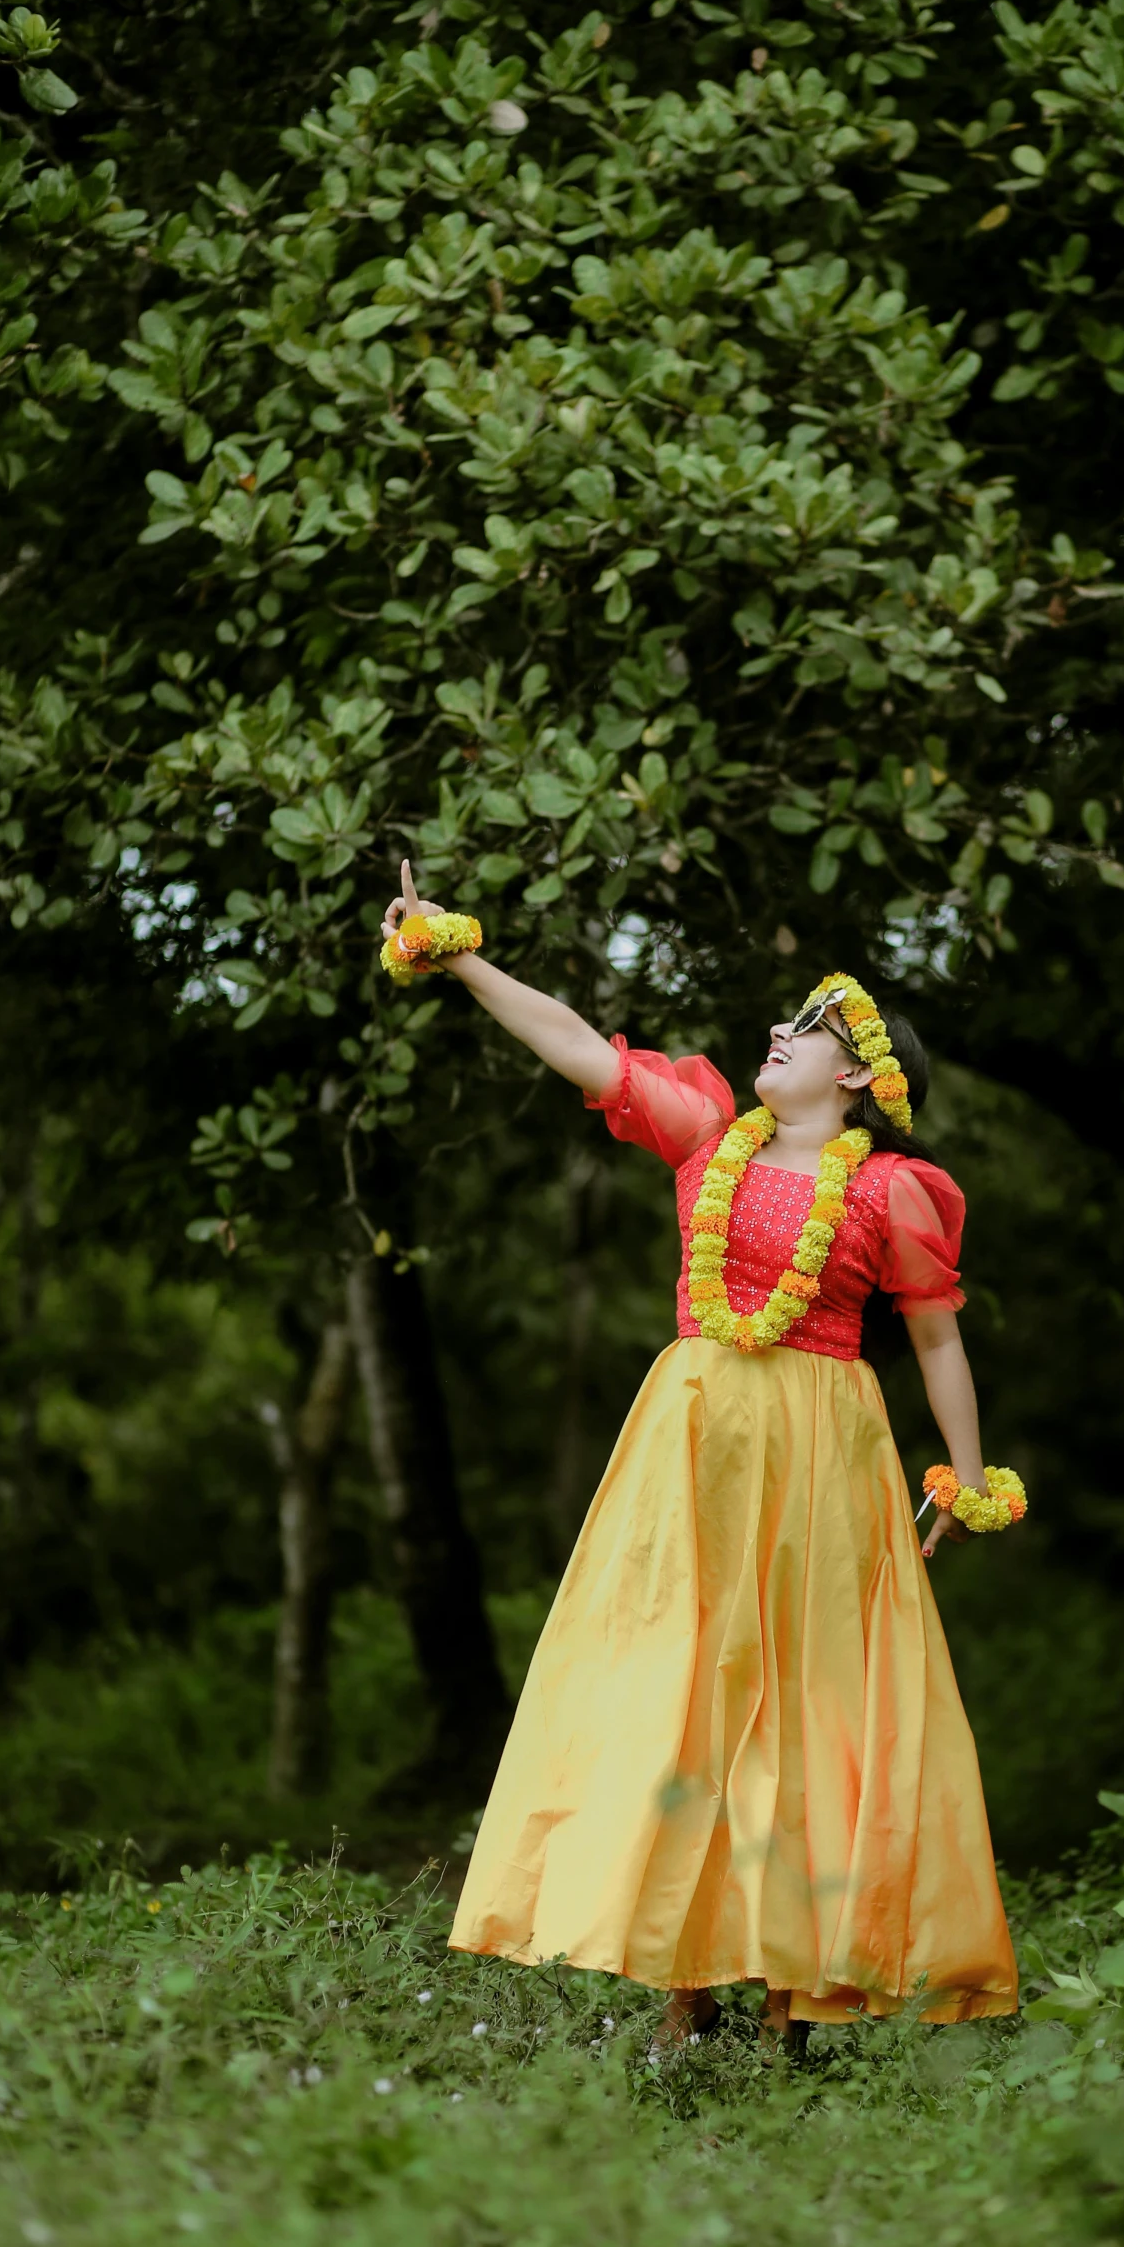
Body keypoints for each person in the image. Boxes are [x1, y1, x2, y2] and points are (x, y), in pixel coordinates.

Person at [380, 863, 1018, 2053]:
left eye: (812, 1027)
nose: (778, 1031)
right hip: (692, 1439)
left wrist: (969, 1485)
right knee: (680, 1685)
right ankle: (687, 1975)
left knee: (808, 1701)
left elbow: (937, 1340)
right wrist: (458, 954)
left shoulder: (891, 1194)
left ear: (862, 1081)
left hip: (825, 1450)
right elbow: (577, 1045)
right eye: (787, 1019)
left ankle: (790, 1985)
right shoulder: (705, 1136)